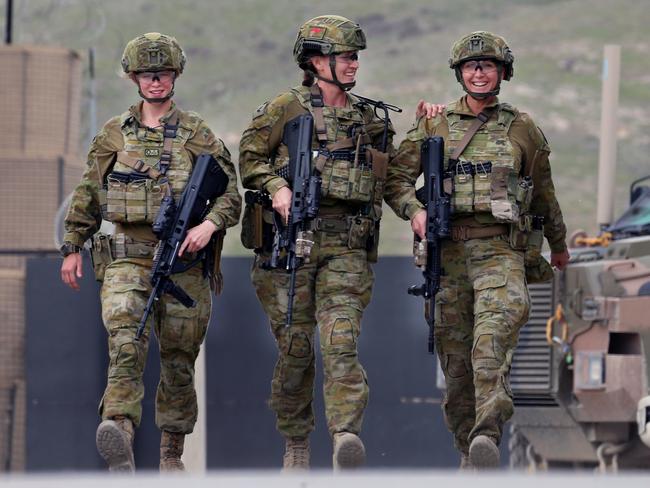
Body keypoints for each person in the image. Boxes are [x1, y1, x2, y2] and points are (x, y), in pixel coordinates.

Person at [385, 31, 570, 469]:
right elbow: (394, 181)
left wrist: (559, 247)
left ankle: (487, 433)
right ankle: (468, 452)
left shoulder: (522, 127)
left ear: (502, 73)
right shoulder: (434, 124)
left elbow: (543, 193)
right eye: (471, 66)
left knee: (491, 344)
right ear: (459, 74)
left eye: (488, 66)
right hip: (447, 256)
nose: (479, 72)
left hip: (501, 252)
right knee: (457, 368)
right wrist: (414, 211)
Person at [60, 32, 241, 472]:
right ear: (133, 79)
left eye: (162, 73)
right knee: (125, 333)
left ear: (175, 75)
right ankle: (119, 426)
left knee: (180, 357)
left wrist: (207, 226)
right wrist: (72, 245)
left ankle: (170, 453)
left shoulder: (198, 133)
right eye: (146, 74)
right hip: (127, 254)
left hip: (185, 262)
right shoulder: (113, 135)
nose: (155, 81)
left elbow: (231, 195)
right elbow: (88, 191)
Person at [238, 15, 407, 470]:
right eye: (344, 56)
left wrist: (417, 212)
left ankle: (345, 436)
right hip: (290, 245)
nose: (353, 64)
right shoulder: (283, 108)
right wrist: (277, 187)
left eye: (354, 57)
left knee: (341, 341)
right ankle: (296, 442)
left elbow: (390, 180)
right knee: (296, 347)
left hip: (346, 247)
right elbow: (249, 159)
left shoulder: (369, 120)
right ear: (315, 62)